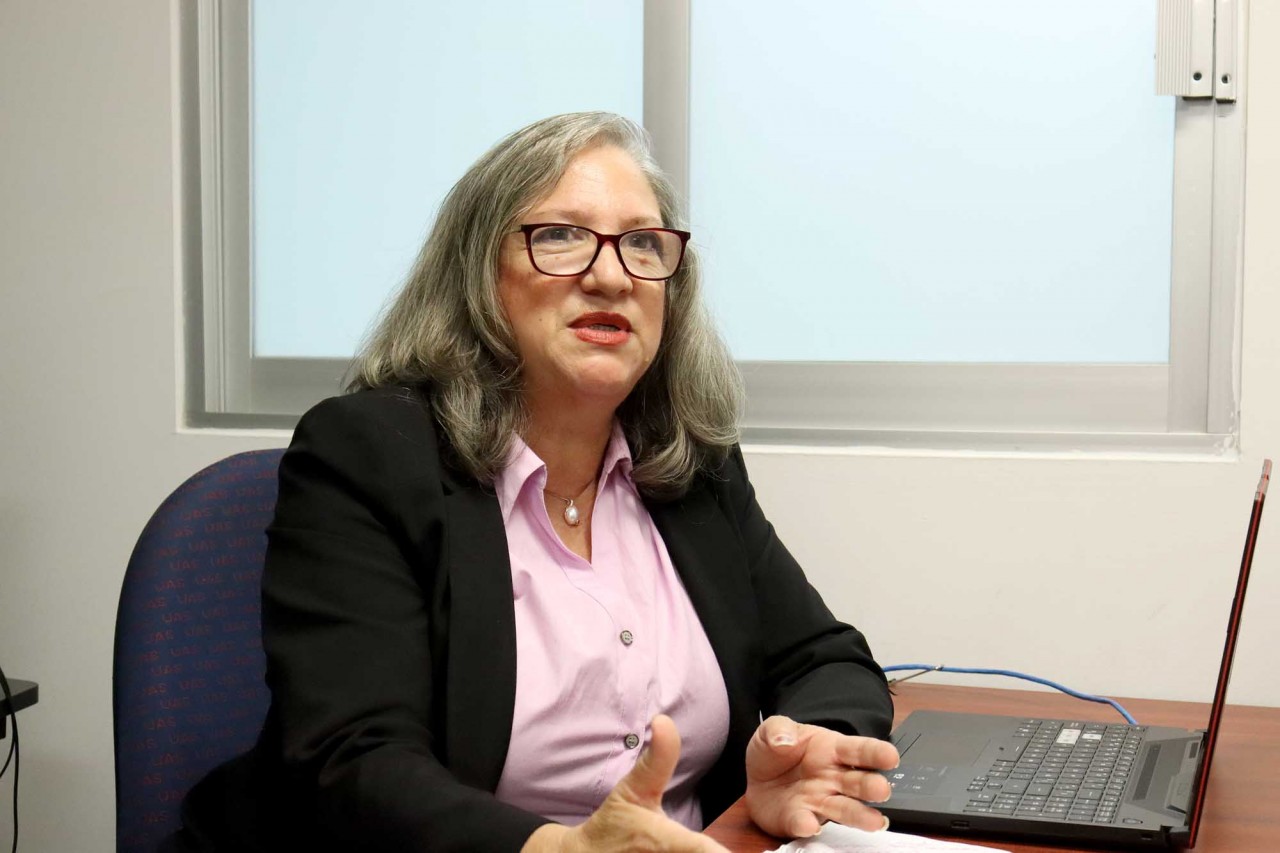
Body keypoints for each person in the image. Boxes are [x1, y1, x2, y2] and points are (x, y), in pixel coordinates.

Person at [170, 112, 897, 852]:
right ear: (477, 274)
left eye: (644, 244)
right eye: (561, 236)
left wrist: (808, 751)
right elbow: (353, 762)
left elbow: (824, 656)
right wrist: (557, 849)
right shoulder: (371, 453)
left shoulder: (689, 462)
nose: (611, 275)